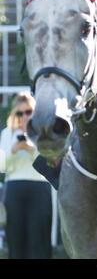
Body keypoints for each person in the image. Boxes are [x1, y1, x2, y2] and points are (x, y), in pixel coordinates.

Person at [0, 92, 52, 259]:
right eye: (20, 113)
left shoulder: (44, 133)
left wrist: (31, 149)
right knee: (16, 242)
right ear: (15, 114)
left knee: (39, 242)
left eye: (28, 111)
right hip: (14, 190)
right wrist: (14, 151)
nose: (24, 116)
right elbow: (2, 167)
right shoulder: (7, 133)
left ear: (34, 112)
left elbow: (50, 163)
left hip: (40, 189)